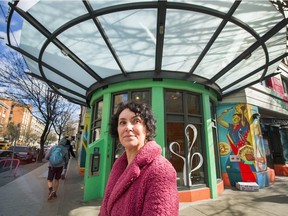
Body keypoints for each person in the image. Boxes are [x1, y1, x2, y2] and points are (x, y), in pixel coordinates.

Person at [99, 101, 179, 216]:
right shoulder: (118, 168)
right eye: (122, 123)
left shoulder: (162, 171)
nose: (128, 127)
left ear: (147, 130)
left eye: (136, 121)